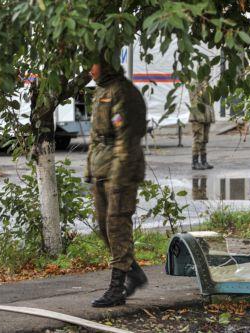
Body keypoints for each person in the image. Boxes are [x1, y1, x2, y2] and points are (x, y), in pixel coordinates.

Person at [84, 55, 148, 307]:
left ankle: (116, 288)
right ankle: (133, 271)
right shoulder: (101, 90)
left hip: (120, 172)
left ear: (105, 63)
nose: (89, 69)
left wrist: (119, 179)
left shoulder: (122, 92)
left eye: (93, 63)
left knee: (117, 226)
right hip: (102, 168)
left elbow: (126, 139)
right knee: (103, 227)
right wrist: (91, 169)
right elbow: (96, 135)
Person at [189, 80, 215, 170]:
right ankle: (195, 162)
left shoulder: (205, 83)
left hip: (206, 115)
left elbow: (210, 100)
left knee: (204, 139)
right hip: (198, 115)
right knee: (198, 139)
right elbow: (198, 100)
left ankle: (204, 161)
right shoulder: (195, 84)